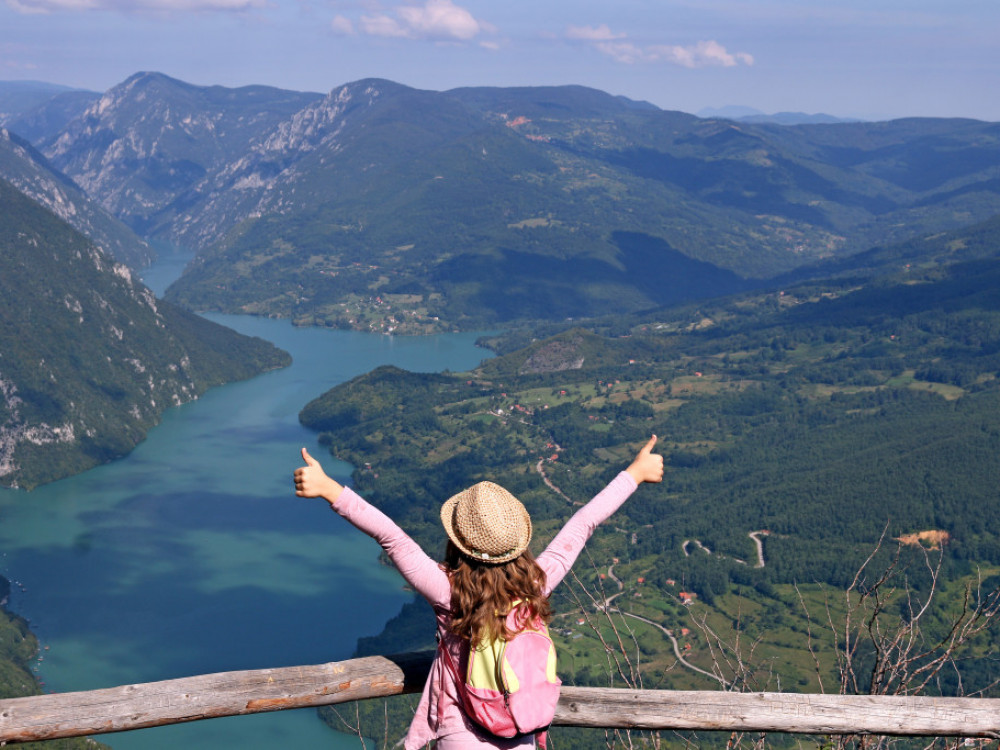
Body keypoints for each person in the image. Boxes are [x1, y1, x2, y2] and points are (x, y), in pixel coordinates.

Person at [294, 435, 664, 749]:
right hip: (521, 727)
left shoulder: (449, 591)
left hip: (461, 731)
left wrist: (330, 489)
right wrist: (634, 474)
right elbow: (583, 524)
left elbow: (392, 537)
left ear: (458, 542)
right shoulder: (535, 584)